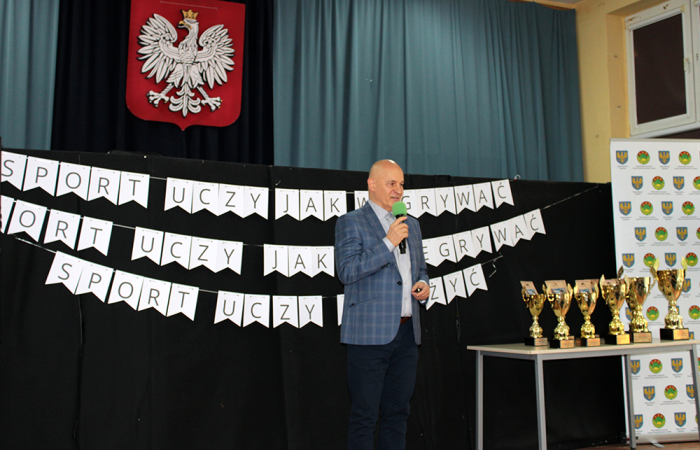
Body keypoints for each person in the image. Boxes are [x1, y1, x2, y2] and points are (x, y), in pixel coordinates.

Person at [335, 159, 430, 450]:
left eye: (401, 184)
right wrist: (388, 243)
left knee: (398, 414)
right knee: (365, 417)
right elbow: (347, 271)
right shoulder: (351, 221)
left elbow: (420, 269)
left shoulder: (412, 225)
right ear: (372, 184)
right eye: (391, 183)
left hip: (406, 335)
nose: (398, 190)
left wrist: (423, 285)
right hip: (368, 336)